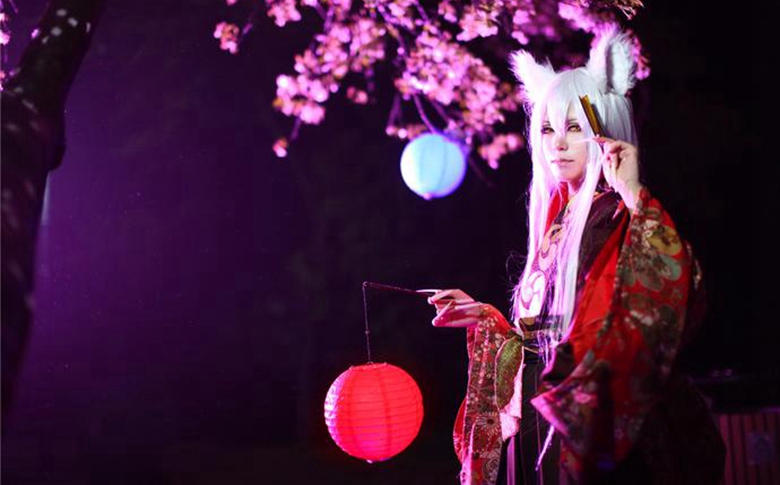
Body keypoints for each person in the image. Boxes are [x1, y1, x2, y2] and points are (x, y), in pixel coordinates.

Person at [426, 27, 725, 485]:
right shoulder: (558, 222)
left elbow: (673, 292)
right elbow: (541, 339)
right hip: (539, 420)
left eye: (574, 129)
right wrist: (488, 319)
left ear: (604, 132)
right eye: (548, 128)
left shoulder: (620, 215)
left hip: (584, 425)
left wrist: (633, 192)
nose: (557, 143)